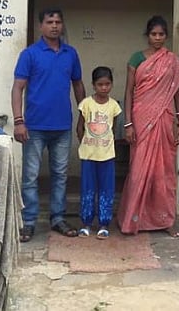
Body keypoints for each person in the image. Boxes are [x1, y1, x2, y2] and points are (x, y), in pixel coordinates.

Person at [12, 8, 85, 242]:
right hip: (34, 127)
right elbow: (18, 88)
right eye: (49, 21)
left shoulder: (70, 54)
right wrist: (18, 121)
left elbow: (78, 85)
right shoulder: (30, 54)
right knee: (31, 176)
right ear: (41, 26)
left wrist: (83, 116)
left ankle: (58, 218)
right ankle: (29, 222)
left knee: (60, 175)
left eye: (58, 22)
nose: (54, 25)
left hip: (62, 126)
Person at [117, 15, 179, 237]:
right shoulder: (137, 58)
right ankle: (133, 219)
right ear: (147, 36)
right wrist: (128, 123)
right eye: (153, 34)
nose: (157, 38)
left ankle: (165, 220)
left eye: (161, 34)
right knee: (138, 171)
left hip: (165, 120)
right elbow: (129, 92)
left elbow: (177, 93)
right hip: (141, 119)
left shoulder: (171, 61)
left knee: (164, 172)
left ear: (166, 36)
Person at [75, 66, 122, 240]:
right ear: (93, 85)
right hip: (88, 155)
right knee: (87, 189)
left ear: (111, 84)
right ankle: (86, 223)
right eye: (100, 84)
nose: (104, 87)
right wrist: (86, 144)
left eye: (107, 84)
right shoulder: (86, 104)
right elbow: (80, 127)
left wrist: (107, 145)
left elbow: (113, 129)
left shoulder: (114, 106)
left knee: (106, 190)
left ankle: (104, 224)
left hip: (107, 155)